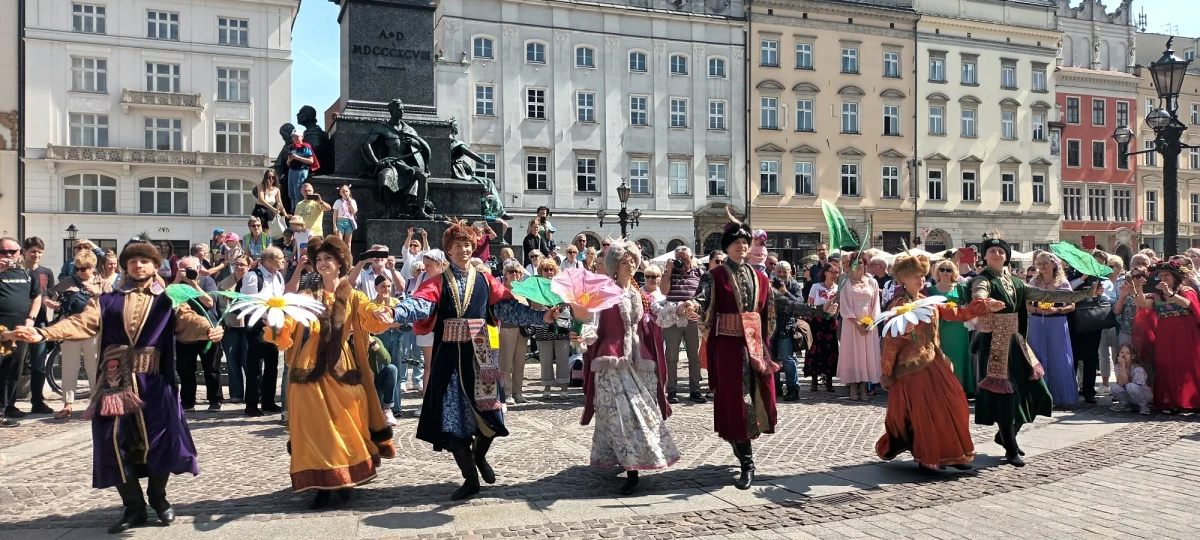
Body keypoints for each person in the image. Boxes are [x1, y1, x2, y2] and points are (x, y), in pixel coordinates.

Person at [8, 239, 221, 533]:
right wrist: (44, 332)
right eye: (132, 261)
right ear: (125, 266)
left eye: (144, 260)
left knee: (161, 440)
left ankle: (158, 500)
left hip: (154, 382)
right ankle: (133, 508)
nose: (138, 265)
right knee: (112, 443)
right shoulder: (107, 300)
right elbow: (80, 322)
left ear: (155, 266)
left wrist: (209, 328)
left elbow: (188, 321)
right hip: (114, 382)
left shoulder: (167, 300)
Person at [384, 220, 559, 500]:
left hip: (481, 357)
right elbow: (420, 304)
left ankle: (479, 457)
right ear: (448, 250)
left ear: (473, 246)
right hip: (450, 358)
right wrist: (396, 313)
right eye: (457, 245)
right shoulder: (438, 281)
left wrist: (542, 317)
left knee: (491, 419)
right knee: (453, 422)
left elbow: (507, 308)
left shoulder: (485, 280)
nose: (463, 249)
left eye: (467, 244)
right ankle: (470, 478)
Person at [679, 221, 820, 490]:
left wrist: (820, 310)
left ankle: (741, 444)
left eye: (745, 243)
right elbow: (702, 298)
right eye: (736, 243)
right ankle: (747, 463)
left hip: (755, 346)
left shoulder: (762, 278)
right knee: (737, 399)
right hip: (729, 347)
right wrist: (691, 305)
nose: (742, 246)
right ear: (727, 247)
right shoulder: (715, 276)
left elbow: (783, 303)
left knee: (757, 398)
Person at [267, 236, 393, 509]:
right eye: (319, 259)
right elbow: (287, 322)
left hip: (341, 365)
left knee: (348, 419)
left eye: (328, 259)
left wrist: (381, 312)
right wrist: (276, 320)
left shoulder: (354, 295)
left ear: (340, 263)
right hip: (308, 367)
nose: (323, 263)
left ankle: (345, 474)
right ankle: (322, 483)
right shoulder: (305, 297)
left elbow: (368, 311)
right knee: (314, 427)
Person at [969, 233, 1099, 467]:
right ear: (985, 257)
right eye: (992, 251)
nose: (997, 254)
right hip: (995, 345)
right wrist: (986, 303)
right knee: (1006, 397)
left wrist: (1086, 293)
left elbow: (1050, 295)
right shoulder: (984, 279)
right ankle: (1010, 445)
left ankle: (1005, 435)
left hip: (1016, 342)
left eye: (1001, 251)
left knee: (1038, 391)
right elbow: (979, 292)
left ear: (1007, 257)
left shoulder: (1018, 283)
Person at [571, 239, 681, 495]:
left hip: (637, 360)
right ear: (615, 267)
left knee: (641, 412)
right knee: (620, 415)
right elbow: (591, 321)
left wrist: (680, 308)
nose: (630, 264)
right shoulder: (604, 291)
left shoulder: (638, 293)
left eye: (633, 260)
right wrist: (582, 337)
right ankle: (631, 470)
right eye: (624, 261)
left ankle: (636, 459)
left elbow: (659, 313)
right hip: (612, 361)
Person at [875, 254, 993, 470]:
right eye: (915, 277)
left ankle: (954, 453)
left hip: (934, 360)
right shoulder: (899, 305)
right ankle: (928, 457)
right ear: (904, 280)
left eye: (922, 276)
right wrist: (888, 368)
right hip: (910, 369)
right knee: (926, 412)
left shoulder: (928, 300)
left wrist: (981, 306)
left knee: (955, 402)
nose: (921, 280)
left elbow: (954, 313)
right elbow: (890, 338)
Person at [1132, 259, 1200, 414]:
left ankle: (1193, 402)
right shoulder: (1157, 295)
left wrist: (1170, 293)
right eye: (1160, 276)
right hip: (1164, 335)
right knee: (1166, 365)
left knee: (1188, 366)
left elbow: (1187, 304)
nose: (1163, 278)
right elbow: (1143, 304)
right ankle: (1172, 402)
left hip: (1186, 335)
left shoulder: (1186, 290)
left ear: (1175, 277)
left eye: (1166, 275)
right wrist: (1138, 289)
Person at [50, 249, 110, 419]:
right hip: (71, 329)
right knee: (69, 367)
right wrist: (50, 301)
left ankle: (95, 403)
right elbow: (49, 294)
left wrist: (97, 293)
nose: (80, 272)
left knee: (94, 367)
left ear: (93, 267)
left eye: (84, 268)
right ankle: (67, 404)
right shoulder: (68, 281)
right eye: (77, 268)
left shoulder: (102, 282)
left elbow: (113, 303)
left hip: (93, 330)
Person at [1026, 252, 1078, 408]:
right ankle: (1039, 396)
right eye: (1039, 263)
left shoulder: (1062, 283)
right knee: (1037, 357)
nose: (1041, 266)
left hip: (1057, 323)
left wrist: (1058, 310)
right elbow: (1027, 304)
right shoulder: (1034, 282)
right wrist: (1036, 311)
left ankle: (1058, 395)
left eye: (1045, 262)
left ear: (1054, 264)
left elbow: (1072, 305)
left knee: (1058, 357)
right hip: (1037, 323)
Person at [0, 237, 43, 425]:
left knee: (13, 371)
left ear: (20, 252)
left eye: (13, 252)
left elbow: (37, 297)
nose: (9, 255)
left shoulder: (26, 274)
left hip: (20, 330)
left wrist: (31, 318)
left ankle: (4, 409)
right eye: (4, 252)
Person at [241, 247, 288, 417]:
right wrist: (264, 318)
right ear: (269, 260)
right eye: (281, 258)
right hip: (258, 326)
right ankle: (252, 404)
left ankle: (268, 402)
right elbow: (247, 303)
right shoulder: (253, 277)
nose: (284, 261)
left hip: (274, 325)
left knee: (272, 364)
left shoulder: (278, 277)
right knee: (254, 367)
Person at [172, 256, 221, 412]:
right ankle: (187, 402)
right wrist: (177, 279)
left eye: (190, 269)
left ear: (198, 268)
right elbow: (169, 299)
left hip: (208, 331)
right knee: (185, 370)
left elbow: (209, 302)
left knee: (212, 368)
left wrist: (192, 284)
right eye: (184, 269)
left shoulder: (207, 281)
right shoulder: (177, 284)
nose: (188, 272)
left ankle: (214, 400)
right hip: (185, 333)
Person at [661, 245, 705, 404]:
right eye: (678, 259)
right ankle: (671, 390)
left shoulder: (699, 273)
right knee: (671, 356)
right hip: (673, 318)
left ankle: (695, 390)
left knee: (694, 356)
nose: (681, 262)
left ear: (691, 258)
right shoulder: (670, 274)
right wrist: (668, 271)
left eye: (684, 259)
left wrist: (693, 305)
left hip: (692, 319)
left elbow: (703, 295)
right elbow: (664, 291)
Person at [837, 250, 881, 401]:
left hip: (868, 324)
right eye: (854, 263)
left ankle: (864, 386)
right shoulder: (845, 283)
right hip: (851, 324)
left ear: (865, 265)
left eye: (860, 262)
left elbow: (876, 305)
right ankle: (853, 386)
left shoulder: (872, 282)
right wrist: (856, 324)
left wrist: (871, 322)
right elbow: (845, 305)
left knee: (867, 354)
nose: (858, 266)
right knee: (853, 353)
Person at [926, 259, 974, 396]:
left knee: (958, 358)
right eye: (942, 269)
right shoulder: (930, 290)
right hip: (939, 328)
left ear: (954, 273)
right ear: (937, 272)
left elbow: (968, 307)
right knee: (940, 358)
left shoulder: (961, 288)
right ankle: (940, 389)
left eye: (949, 270)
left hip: (958, 329)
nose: (945, 272)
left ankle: (958, 389)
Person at [21, 237, 57, 415]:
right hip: (19, 321)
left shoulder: (46, 272)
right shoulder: (17, 271)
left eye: (39, 252)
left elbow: (49, 294)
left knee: (39, 364)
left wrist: (50, 302)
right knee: (15, 363)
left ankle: (38, 401)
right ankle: (8, 404)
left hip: (40, 321)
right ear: (25, 252)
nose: (36, 255)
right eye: (33, 251)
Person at [531, 258, 572, 399]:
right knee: (545, 357)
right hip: (543, 323)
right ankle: (547, 386)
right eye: (546, 270)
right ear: (540, 271)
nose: (549, 272)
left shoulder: (561, 285)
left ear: (555, 272)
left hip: (561, 322)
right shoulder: (537, 286)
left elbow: (568, 301)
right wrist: (545, 307)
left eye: (551, 270)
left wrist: (558, 308)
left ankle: (563, 387)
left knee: (563, 356)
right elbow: (534, 306)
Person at [367, 274, 402, 426]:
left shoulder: (396, 301)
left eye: (389, 286)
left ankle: (396, 407)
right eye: (383, 286)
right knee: (382, 367)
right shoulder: (371, 304)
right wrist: (388, 323)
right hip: (380, 337)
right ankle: (380, 407)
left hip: (396, 336)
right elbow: (373, 323)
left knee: (397, 370)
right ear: (376, 288)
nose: (386, 289)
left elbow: (400, 321)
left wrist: (387, 321)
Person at [772, 261, 807, 401]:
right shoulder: (769, 284)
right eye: (778, 271)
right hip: (770, 327)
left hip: (785, 326)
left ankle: (793, 388)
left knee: (787, 358)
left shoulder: (794, 285)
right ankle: (775, 387)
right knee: (772, 359)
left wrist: (785, 293)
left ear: (790, 272)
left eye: (784, 271)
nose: (781, 274)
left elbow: (800, 305)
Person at [218, 255, 252, 404]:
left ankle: (254, 393)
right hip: (231, 326)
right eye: (237, 264)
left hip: (249, 326)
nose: (239, 267)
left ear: (249, 267)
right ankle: (236, 393)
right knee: (232, 360)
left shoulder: (253, 282)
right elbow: (219, 306)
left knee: (249, 360)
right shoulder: (224, 283)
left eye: (242, 265)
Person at [805, 260, 841, 392]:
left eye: (837, 272)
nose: (834, 275)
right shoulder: (816, 287)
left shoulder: (838, 289)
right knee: (815, 350)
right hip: (816, 322)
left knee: (830, 351)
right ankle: (814, 380)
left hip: (830, 323)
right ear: (825, 272)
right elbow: (809, 305)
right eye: (832, 272)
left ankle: (829, 380)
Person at [498, 261, 529, 404]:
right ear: (506, 275)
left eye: (517, 272)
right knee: (505, 363)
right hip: (506, 328)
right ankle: (507, 392)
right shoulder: (501, 290)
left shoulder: (524, 290)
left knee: (519, 363)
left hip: (522, 330)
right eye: (511, 272)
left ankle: (518, 392)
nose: (515, 274)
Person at [1097, 257, 1125, 389]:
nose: (1108, 269)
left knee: (1117, 354)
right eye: (1106, 266)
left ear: (1119, 268)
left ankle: (1118, 383)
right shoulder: (1102, 281)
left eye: (1112, 266)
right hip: (1103, 320)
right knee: (1103, 354)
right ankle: (1105, 384)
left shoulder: (1123, 282)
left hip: (1118, 322)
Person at [1109, 343, 1151, 415]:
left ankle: (1144, 406)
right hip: (1129, 395)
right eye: (1122, 352)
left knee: (1130, 386)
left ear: (1133, 356)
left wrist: (1122, 367)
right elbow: (1120, 383)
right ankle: (1125, 404)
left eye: (1128, 353)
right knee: (1114, 387)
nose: (1124, 355)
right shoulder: (1117, 366)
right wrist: (1122, 367)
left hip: (1143, 395)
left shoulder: (1138, 369)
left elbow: (1127, 384)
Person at [285, 130, 319, 211]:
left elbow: (311, 161)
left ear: (302, 137)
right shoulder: (291, 147)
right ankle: (293, 210)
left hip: (301, 170)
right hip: (292, 170)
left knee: (298, 193)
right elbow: (288, 163)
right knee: (291, 193)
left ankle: (299, 210)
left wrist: (297, 157)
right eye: (293, 136)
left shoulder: (305, 147)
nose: (295, 138)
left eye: (297, 136)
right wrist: (289, 160)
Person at [333, 184, 358, 252]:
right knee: (339, 243)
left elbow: (354, 212)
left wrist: (350, 202)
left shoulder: (353, 201)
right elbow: (335, 214)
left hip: (349, 222)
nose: (345, 193)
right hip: (340, 222)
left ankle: (348, 260)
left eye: (346, 191)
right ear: (340, 193)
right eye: (343, 192)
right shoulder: (338, 202)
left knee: (348, 243)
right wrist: (334, 226)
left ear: (349, 192)